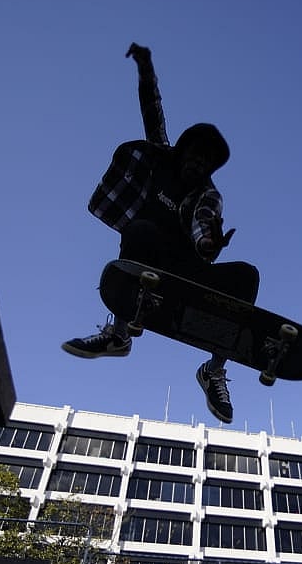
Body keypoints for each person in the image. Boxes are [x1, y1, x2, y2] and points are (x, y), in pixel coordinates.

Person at [62, 43, 260, 424]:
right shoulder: (158, 158)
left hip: (184, 271)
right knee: (141, 228)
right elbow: (151, 108)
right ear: (182, 151)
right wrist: (146, 66)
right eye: (193, 157)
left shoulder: (208, 194)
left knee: (247, 275)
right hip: (147, 260)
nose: (196, 166)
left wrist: (207, 242)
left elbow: (204, 222)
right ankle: (119, 333)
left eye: (205, 164)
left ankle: (214, 372)